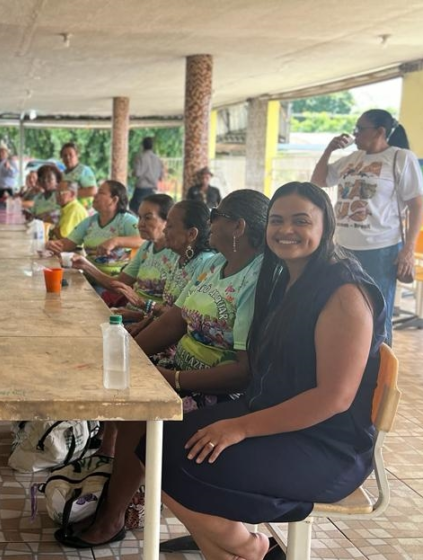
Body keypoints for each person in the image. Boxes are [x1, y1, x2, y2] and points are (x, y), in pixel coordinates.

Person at [139, 183, 385, 560]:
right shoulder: (284, 277)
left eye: (301, 221)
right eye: (277, 220)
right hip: (273, 413)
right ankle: (243, 549)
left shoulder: (344, 292)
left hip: (325, 443)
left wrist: (239, 427)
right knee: (154, 442)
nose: (286, 230)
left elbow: (334, 398)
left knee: (187, 464)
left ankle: (246, 548)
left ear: (326, 227)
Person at [57, 189, 269, 550]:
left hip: (218, 389)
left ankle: (112, 517)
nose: (209, 223)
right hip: (179, 369)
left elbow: (243, 372)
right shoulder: (215, 266)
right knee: (126, 390)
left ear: (238, 226)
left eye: (216, 215)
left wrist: (172, 379)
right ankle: (116, 498)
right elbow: (175, 320)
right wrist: (131, 359)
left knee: (144, 416)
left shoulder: (256, 278)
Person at [311, 109, 423, 343]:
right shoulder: (351, 159)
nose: (355, 134)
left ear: (380, 132)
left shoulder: (400, 157)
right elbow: (318, 181)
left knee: (377, 314)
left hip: (381, 249)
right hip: (342, 247)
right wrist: (329, 150)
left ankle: (380, 373)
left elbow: (417, 205)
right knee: (343, 307)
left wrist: (408, 249)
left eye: (360, 129)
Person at [71, 194, 174, 313]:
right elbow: (120, 284)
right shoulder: (147, 247)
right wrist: (86, 266)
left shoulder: (177, 254)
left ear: (167, 221)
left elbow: (173, 314)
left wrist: (137, 316)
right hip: (130, 313)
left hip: (147, 321)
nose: (140, 224)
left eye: (148, 218)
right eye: (140, 217)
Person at [46, 181, 141, 279]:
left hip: (114, 280)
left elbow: (144, 240)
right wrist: (52, 244)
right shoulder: (90, 222)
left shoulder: (126, 220)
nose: (95, 195)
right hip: (89, 276)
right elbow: (67, 244)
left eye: (101, 192)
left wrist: (115, 241)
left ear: (114, 199)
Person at [129, 136, 165, 213]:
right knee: (149, 212)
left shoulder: (140, 157)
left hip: (141, 189)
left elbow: (137, 173)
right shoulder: (158, 159)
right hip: (152, 190)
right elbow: (161, 177)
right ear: (152, 146)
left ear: (142, 146)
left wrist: (131, 173)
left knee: (134, 210)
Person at [60, 142, 98, 209]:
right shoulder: (62, 174)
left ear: (77, 155)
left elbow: (93, 190)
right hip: (68, 210)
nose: (67, 158)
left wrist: (70, 194)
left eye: (70, 155)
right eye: (65, 156)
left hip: (84, 210)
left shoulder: (84, 170)